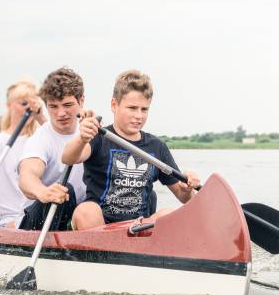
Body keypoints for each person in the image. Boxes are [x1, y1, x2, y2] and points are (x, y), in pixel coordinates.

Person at [62, 70, 199, 230]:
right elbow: (68, 158)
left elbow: (184, 198)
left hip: (137, 228)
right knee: (86, 211)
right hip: (99, 226)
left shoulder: (157, 146)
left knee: (168, 214)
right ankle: (101, 253)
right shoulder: (98, 137)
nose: (139, 116)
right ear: (114, 105)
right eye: (132, 108)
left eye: (144, 109)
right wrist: (82, 138)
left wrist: (187, 188)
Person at [17, 67, 90, 230]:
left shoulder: (90, 130)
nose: (60, 113)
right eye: (53, 106)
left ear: (81, 101)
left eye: (67, 105)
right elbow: (27, 176)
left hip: (78, 215)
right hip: (36, 222)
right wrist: (43, 192)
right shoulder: (40, 139)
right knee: (64, 192)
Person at [0, 80, 45, 227]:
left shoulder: (43, 136)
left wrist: (40, 116)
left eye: (33, 103)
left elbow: (56, 136)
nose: (29, 108)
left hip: (40, 213)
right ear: (9, 105)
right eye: (24, 103)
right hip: (10, 219)